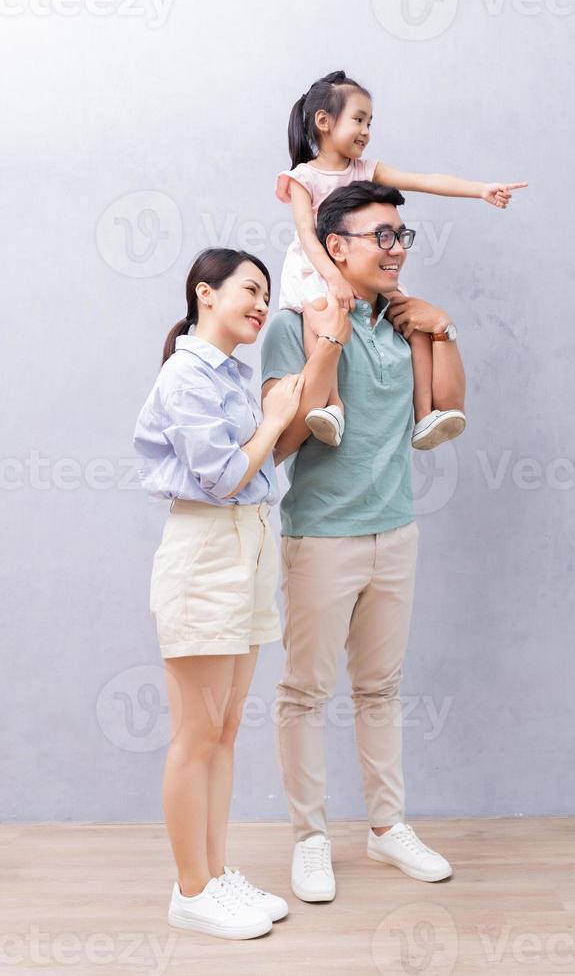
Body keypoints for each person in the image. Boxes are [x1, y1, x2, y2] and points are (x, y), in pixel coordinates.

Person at [261, 180, 465, 903]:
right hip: (321, 538)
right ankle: (311, 839)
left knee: (381, 688)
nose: (396, 249)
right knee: (305, 693)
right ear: (333, 246)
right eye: (381, 235)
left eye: (401, 236)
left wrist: (442, 328)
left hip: (396, 531)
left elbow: (444, 412)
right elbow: (282, 442)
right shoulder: (295, 324)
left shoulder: (404, 318)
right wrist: (333, 338)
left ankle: (387, 830)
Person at [133, 247, 304, 940]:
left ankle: (216, 872)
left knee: (226, 730)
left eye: (267, 292)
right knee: (195, 734)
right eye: (250, 289)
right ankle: (190, 888)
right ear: (207, 293)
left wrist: (276, 412)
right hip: (205, 554)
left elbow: (258, 473)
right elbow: (223, 476)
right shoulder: (186, 374)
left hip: (247, 544)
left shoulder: (235, 374)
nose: (262, 303)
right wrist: (271, 419)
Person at [275, 68, 526, 450]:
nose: (366, 131)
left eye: (370, 122)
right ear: (324, 122)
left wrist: (480, 190)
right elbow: (308, 237)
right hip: (319, 264)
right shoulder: (302, 177)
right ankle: (333, 405)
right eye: (358, 119)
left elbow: (424, 180)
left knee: (413, 319)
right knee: (321, 313)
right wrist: (334, 278)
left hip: (360, 268)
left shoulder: (366, 169)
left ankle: (425, 414)